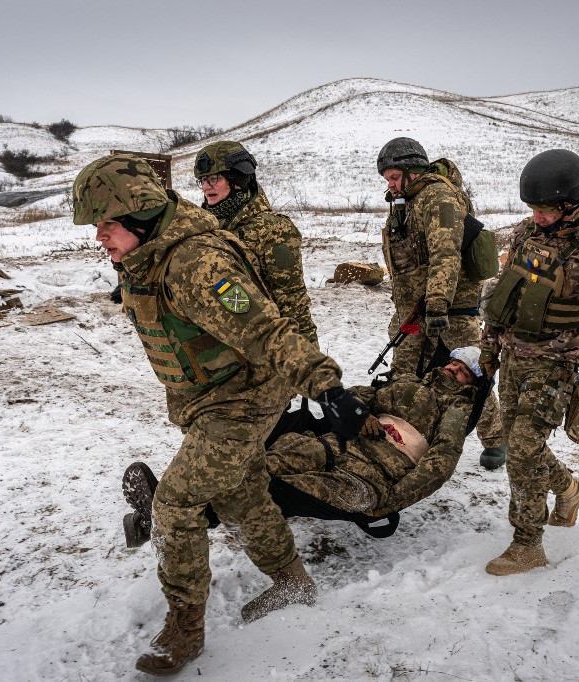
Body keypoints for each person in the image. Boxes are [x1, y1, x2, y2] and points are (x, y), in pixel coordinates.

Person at [72, 153, 368, 676]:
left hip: (244, 400)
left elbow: (268, 331)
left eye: (107, 225)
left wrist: (328, 387)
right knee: (242, 494)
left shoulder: (198, 264)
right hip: (206, 398)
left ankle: (185, 628)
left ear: (141, 216)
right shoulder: (149, 255)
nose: (99, 236)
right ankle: (293, 580)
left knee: (177, 504)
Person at [480, 149, 579, 576]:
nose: (537, 217)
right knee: (526, 443)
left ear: (573, 206)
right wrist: (489, 349)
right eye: (533, 209)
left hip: (555, 365)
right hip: (513, 356)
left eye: (547, 210)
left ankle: (527, 544)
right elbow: (503, 294)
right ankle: (571, 489)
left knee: (521, 450)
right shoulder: (526, 234)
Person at [376, 137, 505, 466]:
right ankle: (396, 436)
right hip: (414, 308)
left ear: (413, 171)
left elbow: (445, 255)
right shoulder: (407, 201)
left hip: (450, 308)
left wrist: (436, 304)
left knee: (471, 371)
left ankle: (495, 440)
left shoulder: (438, 196)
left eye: (394, 177)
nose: (390, 185)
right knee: (403, 369)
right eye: (387, 179)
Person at [267, 347, 482, 518]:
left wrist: (393, 500)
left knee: (303, 491)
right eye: (454, 363)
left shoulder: (457, 408)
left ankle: (259, 500)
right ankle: (245, 487)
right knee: (285, 454)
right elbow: (353, 395)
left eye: (463, 372)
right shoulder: (407, 381)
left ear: (472, 384)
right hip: (342, 445)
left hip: (376, 474)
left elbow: (441, 462)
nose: (454, 369)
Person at [194, 140, 319, 345]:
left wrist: (307, 360)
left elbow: (292, 304)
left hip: (265, 344)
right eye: (203, 180)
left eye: (214, 178)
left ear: (237, 180)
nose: (207, 186)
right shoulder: (204, 228)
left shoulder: (274, 230)